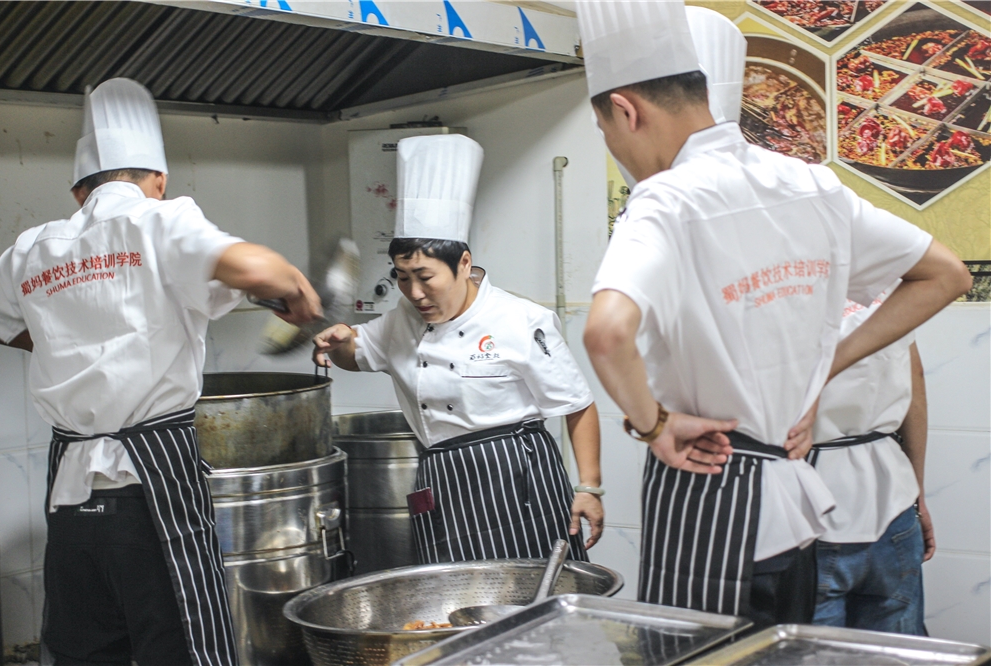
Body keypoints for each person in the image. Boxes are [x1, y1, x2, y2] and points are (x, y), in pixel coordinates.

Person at [577, 0, 971, 628]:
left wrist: (653, 426)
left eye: (607, 134)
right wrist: (826, 365)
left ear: (626, 109)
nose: (619, 151)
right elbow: (946, 274)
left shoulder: (663, 201)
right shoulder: (812, 183)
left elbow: (605, 331)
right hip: (796, 512)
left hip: (711, 493)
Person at [0, 78, 321, 666]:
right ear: (158, 180)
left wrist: (52, 342)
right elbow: (253, 266)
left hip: (69, 499)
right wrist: (294, 288)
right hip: (153, 490)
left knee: (85, 655)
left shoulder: (30, 250)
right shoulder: (159, 222)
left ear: (78, 191)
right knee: (186, 650)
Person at [313, 134, 606, 563]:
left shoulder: (520, 320)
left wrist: (589, 487)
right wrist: (339, 340)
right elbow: (355, 355)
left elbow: (577, 404)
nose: (414, 291)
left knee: (536, 597)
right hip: (441, 475)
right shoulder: (401, 320)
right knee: (452, 602)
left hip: (515, 474)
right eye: (402, 276)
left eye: (426, 276)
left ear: (464, 264)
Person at [809, 286, 934, 634]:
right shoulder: (890, 284)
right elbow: (916, 384)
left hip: (810, 504)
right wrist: (917, 496)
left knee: (814, 654)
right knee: (895, 653)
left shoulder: (776, 290)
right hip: (893, 496)